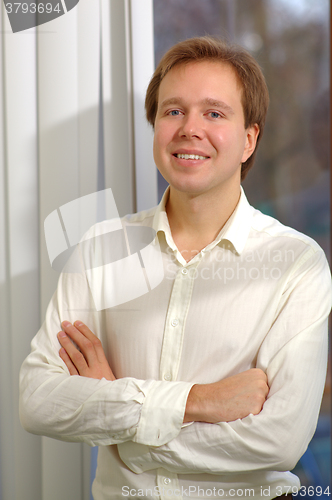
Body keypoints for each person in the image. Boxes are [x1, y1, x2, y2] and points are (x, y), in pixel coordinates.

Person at [19, 36, 331, 500]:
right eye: (173, 111)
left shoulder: (296, 263)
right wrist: (199, 401)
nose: (190, 129)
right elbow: (38, 401)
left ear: (249, 140)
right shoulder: (100, 250)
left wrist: (126, 428)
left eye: (215, 113)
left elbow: (278, 442)